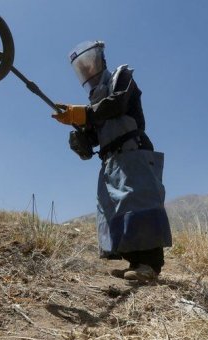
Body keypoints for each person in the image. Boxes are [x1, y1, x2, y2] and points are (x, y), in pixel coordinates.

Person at [52, 41, 172, 282]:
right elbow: (94, 139)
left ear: (101, 60)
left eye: (89, 64)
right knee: (117, 207)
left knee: (139, 201)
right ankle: (135, 262)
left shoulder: (122, 76)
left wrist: (84, 114)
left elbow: (117, 104)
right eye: (82, 68)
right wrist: (80, 138)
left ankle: (150, 265)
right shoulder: (95, 101)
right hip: (111, 161)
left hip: (133, 152)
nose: (87, 70)